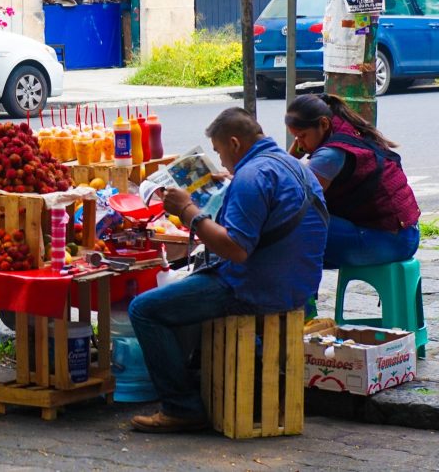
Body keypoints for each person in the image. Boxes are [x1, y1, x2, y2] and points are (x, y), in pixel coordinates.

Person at [128, 108, 328, 433]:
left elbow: (235, 249)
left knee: (145, 309)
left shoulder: (252, 178)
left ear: (235, 143)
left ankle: (181, 407)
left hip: (255, 289)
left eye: (220, 152)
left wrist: (187, 210)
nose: (221, 162)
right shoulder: (292, 165)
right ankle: (196, 380)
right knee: (182, 287)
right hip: (297, 283)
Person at [285, 92, 420, 268]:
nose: (300, 144)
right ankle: (301, 294)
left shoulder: (329, 155)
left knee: (294, 229)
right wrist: (297, 150)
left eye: (302, 136)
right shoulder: (345, 127)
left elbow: (296, 200)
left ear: (324, 124)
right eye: (295, 137)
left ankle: (300, 296)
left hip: (391, 242)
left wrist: (290, 158)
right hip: (405, 234)